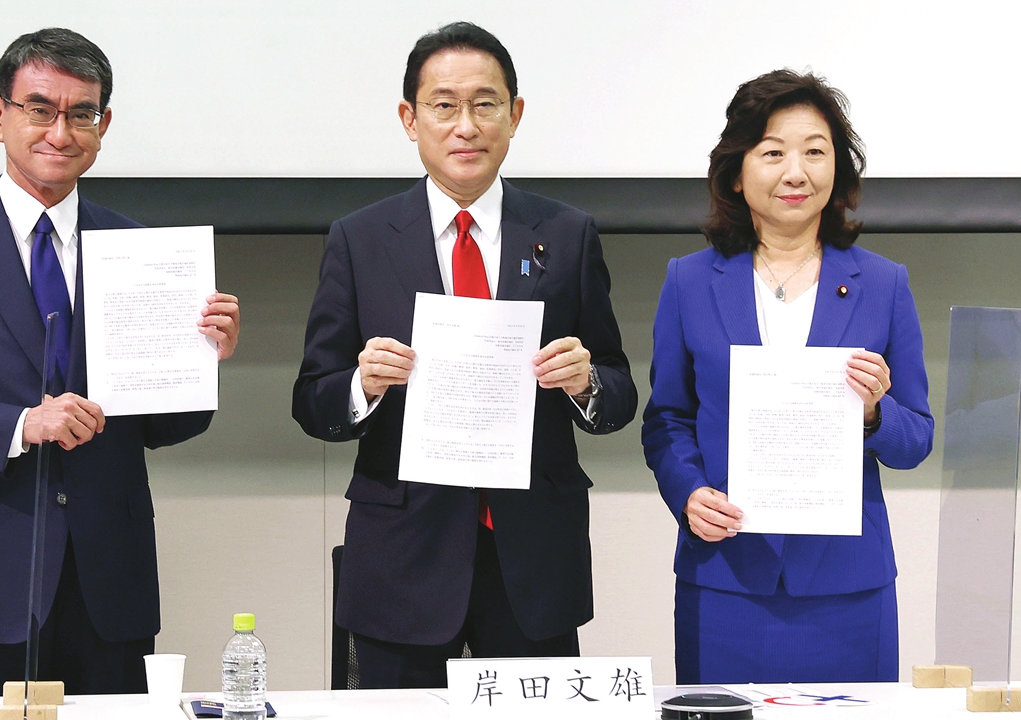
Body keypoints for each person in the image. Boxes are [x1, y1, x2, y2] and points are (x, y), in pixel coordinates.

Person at [0, 28, 240, 697]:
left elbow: (166, 425)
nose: (60, 132)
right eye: (39, 109)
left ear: (103, 124)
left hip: (108, 588)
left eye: (80, 113)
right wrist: (19, 425)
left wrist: (202, 359)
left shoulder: (141, 250)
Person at [293, 22, 637, 689]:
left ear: (515, 116)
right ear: (409, 118)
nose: (466, 125)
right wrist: (362, 385)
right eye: (443, 105)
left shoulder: (567, 235)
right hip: (403, 558)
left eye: (485, 104)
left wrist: (586, 381)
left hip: (532, 555)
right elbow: (313, 399)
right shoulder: (360, 240)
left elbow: (619, 390)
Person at [642, 69, 933, 684]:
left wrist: (875, 414)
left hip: (847, 586)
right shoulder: (689, 281)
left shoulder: (885, 283)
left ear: (839, 171)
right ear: (738, 170)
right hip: (726, 580)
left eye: (815, 152)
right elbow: (667, 419)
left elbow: (917, 440)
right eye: (772, 152)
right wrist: (690, 493)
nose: (794, 172)